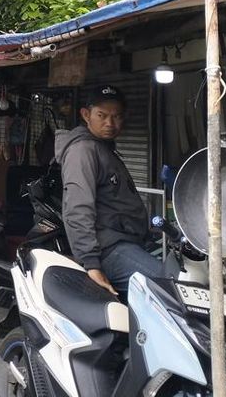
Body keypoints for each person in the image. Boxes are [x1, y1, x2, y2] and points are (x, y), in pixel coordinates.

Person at [56, 84, 165, 296]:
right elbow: (78, 208)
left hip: (129, 242)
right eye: (102, 115)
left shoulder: (103, 148)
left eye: (116, 116)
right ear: (86, 115)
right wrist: (91, 264)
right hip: (109, 250)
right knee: (168, 285)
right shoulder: (83, 151)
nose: (110, 123)